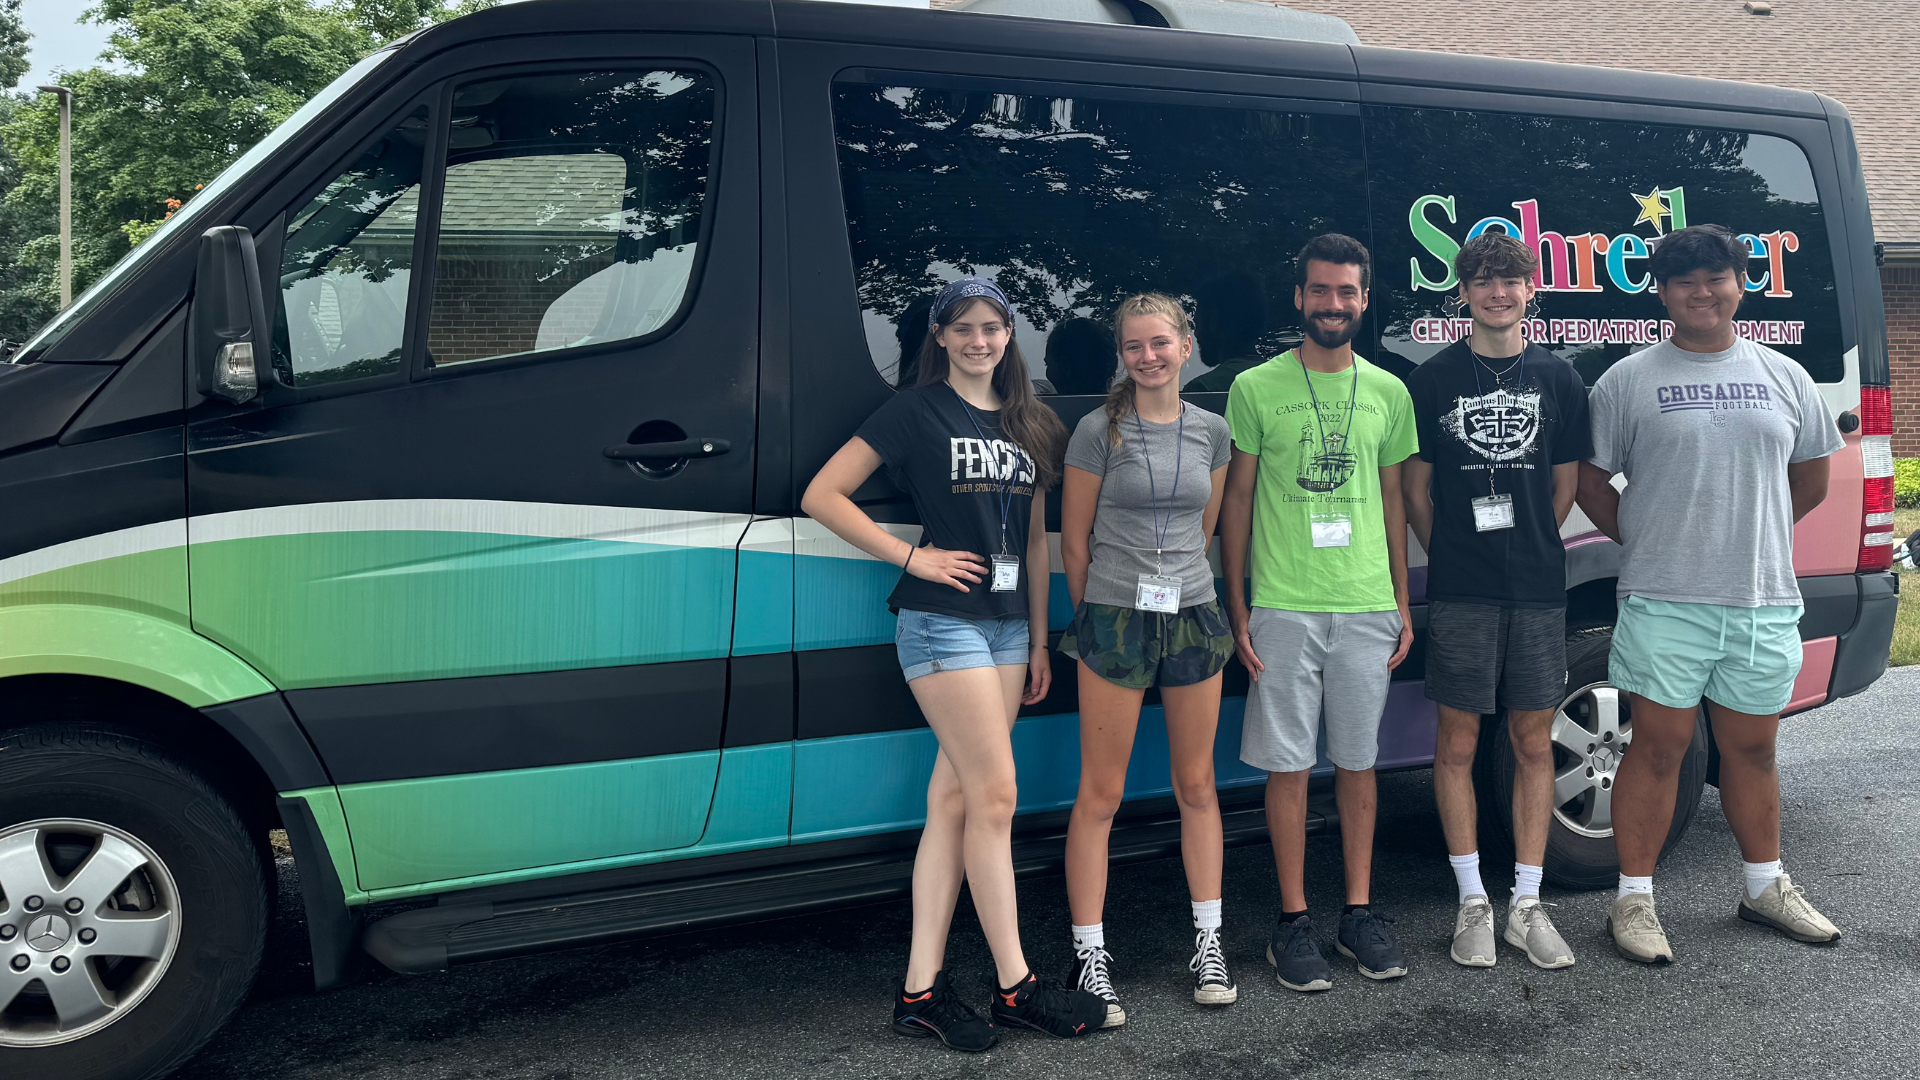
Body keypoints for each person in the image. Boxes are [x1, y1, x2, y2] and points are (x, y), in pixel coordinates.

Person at [802, 277, 1107, 1048]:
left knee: (955, 804)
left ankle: (919, 994)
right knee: (997, 796)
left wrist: (1041, 639)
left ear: (1011, 336)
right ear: (939, 337)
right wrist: (914, 557)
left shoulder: (1029, 421)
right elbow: (822, 494)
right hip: (943, 625)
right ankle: (1015, 985)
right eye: (963, 327)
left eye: (992, 327)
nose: (979, 340)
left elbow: (1034, 541)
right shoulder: (913, 411)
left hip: (1007, 629)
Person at [1575, 225, 1844, 963]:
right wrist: (1649, 535)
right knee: (1657, 750)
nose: (1702, 290)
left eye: (1716, 276)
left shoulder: (1784, 376)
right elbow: (1591, 480)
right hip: (1665, 598)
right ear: (1661, 293)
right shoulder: (1628, 381)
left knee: (1753, 750)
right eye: (1685, 279)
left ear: (1739, 285)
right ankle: (1632, 900)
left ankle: (1764, 887)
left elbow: (1812, 474)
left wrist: (1748, 529)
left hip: (1760, 597)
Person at [1219, 234, 1418, 991]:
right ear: (1298, 297)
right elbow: (1236, 500)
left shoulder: (1389, 392)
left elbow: (1395, 500)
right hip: (1284, 604)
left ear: (1365, 301)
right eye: (1320, 291)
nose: (1333, 305)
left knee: (1361, 765)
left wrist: (1401, 600)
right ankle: (1293, 921)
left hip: (1366, 603)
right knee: (1290, 767)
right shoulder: (1256, 388)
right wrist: (1237, 603)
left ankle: (1358, 914)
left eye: (1348, 293)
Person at [1401, 233, 1588, 970]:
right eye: (1482, 281)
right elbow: (1416, 488)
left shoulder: (1559, 379)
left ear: (1529, 289)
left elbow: (1564, 484)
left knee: (1534, 743)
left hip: (1539, 589)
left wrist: (1536, 538)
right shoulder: (1434, 379)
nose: (1497, 293)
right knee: (1456, 745)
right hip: (1463, 590)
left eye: (1509, 280)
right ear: (1464, 293)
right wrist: (1446, 547)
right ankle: (1473, 900)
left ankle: (1529, 904)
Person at [1059, 293, 1237, 1020]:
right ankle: (1091, 956)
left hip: (1193, 613)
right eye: (1134, 347)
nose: (1148, 357)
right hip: (1115, 617)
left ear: (1185, 347)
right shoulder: (1096, 431)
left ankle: (1210, 942)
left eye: (1160, 343)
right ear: (1122, 356)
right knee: (1100, 794)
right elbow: (1075, 541)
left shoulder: (1213, 433)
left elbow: (1205, 529)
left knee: (1197, 786)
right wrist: (1097, 613)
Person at [1040, 316, 1119, 395]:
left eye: (1048, 364)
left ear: (1065, 366)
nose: (1047, 374)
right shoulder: (1127, 405)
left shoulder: (1042, 404)